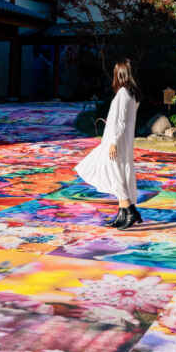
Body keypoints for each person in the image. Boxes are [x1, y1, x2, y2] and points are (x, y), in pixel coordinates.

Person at [74, 59, 143, 230]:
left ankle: (130, 210)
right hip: (121, 141)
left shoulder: (122, 94)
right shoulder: (131, 94)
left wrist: (113, 142)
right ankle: (123, 212)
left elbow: (120, 122)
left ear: (118, 75)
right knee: (118, 173)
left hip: (115, 141)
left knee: (113, 173)